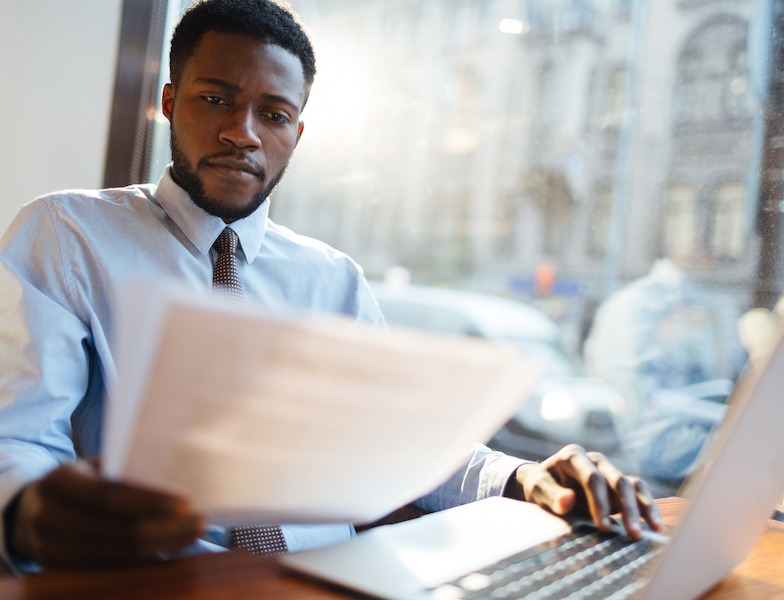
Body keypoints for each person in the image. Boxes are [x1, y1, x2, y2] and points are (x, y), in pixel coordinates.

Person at [0, 0, 662, 573]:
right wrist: (29, 513)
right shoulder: (66, 233)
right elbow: (19, 437)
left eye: (275, 113)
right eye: (215, 99)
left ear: (297, 132)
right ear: (170, 103)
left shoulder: (332, 278)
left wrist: (523, 476)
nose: (242, 132)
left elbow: (400, 440)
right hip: (155, 581)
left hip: (330, 579)